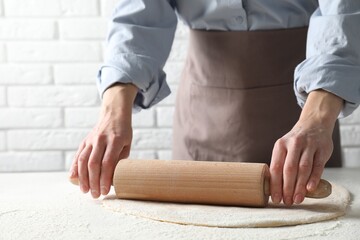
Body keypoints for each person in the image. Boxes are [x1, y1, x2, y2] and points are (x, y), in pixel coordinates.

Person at [69, 0, 360, 206]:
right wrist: (113, 112)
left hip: (305, 112)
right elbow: (137, 19)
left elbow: (344, 13)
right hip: (202, 110)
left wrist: (316, 119)